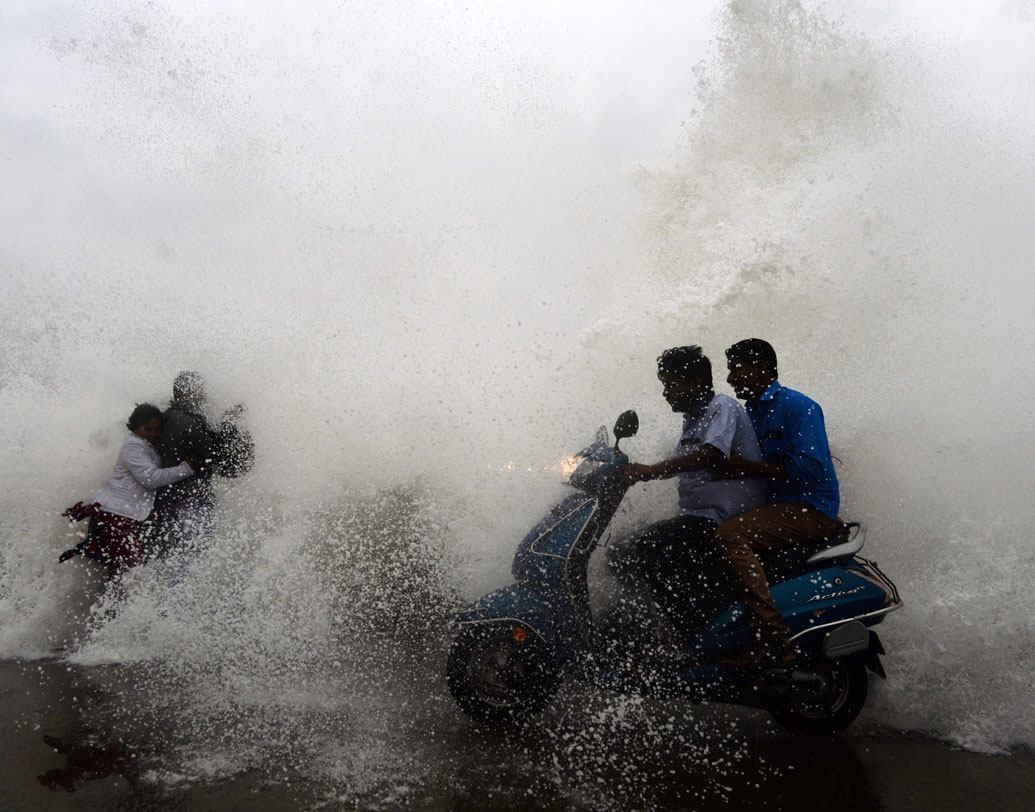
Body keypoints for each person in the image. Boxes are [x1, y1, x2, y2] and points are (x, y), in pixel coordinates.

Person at [608, 346, 765, 645]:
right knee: (620, 550)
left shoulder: (722, 407)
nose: (666, 393)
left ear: (694, 382)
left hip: (723, 518)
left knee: (645, 548)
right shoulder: (693, 419)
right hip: (698, 518)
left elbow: (708, 456)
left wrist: (651, 471)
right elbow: (680, 461)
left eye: (671, 384)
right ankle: (652, 623)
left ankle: (686, 633)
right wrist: (627, 471)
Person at [715, 338, 841, 667]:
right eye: (730, 370)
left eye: (737, 369)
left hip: (808, 508)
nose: (730, 378)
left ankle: (774, 642)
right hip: (776, 509)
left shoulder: (799, 406)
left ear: (764, 369)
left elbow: (811, 468)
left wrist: (747, 467)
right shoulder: (748, 413)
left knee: (731, 534)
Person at [60, 404, 195, 578]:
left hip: (123, 516)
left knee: (124, 570)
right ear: (135, 427)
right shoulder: (134, 446)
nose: (153, 434)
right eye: (148, 429)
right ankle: (116, 604)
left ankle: (116, 603)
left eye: (156, 430)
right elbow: (150, 479)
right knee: (125, 571)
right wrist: (186, 468)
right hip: (114, 516)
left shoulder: (144, 444)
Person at [150, 371, 253, 558]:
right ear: (189, 393)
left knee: (170, 564)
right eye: (201, 392)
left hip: (165, 505)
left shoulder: (166, 419)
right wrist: (230, 424)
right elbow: (222, 462)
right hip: (189, 506)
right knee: (190, 567)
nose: (205, 397)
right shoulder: (188, 423)